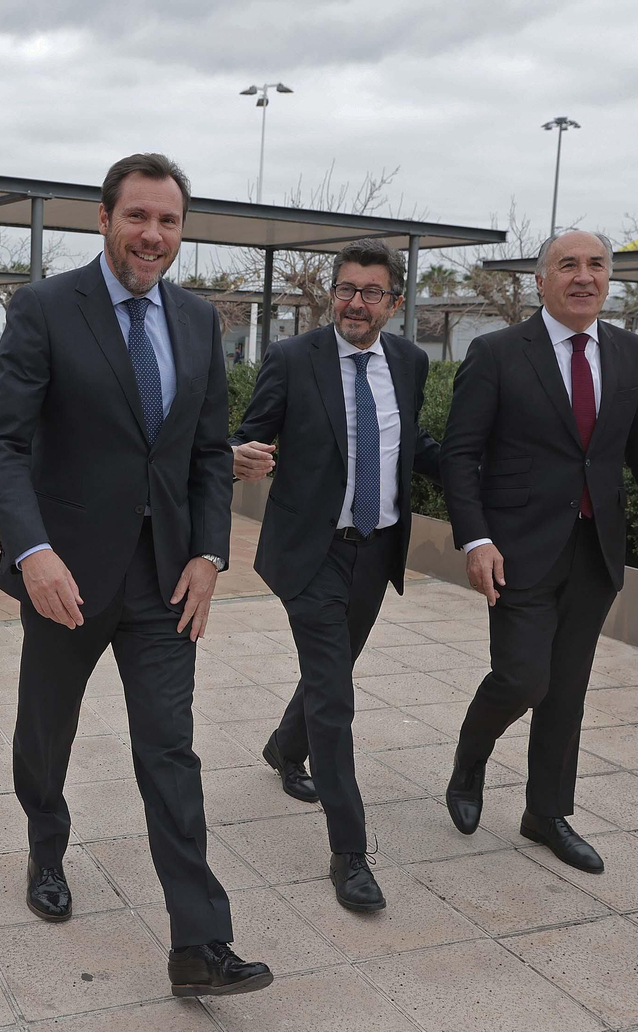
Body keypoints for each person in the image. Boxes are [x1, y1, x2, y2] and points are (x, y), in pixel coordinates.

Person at [0, 153, 270, 998]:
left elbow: (208, 454)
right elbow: (0, 444)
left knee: (170, 750)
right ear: (103, 219)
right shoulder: (43, 309)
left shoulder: (197, 320)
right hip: (64, 576)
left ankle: (199, 944)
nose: (153, 235)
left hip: (164, 579)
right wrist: (32, 554)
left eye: (169, 221)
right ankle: (45, 843)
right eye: (138, 217)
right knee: (46, 734)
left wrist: (210, 555)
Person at [440, 229, 638, 873]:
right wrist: (476, 537)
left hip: (595, 549)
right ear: (541, 280)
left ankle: (546, 813)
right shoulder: (497, 352)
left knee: (567, 688)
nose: (584, 276)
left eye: (596, 265)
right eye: (567, 265)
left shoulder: (631, 353)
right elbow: (460, 456)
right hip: (516, 550)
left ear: (609, 278)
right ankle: (470, 761)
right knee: (524, 676)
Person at [230, 238, 441, 913]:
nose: (355, 302)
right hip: (310, 551)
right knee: (335, 691)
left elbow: (416, 445)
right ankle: (350, 854)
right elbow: (253, 430)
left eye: (371, 292)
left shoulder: (409, 362)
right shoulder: (293, 358)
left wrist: (485, 467)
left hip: (375, 552)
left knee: (335, 667)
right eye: (346, 289)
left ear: (394, 302)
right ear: (333, 294)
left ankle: (283, 748)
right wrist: (242, 453)